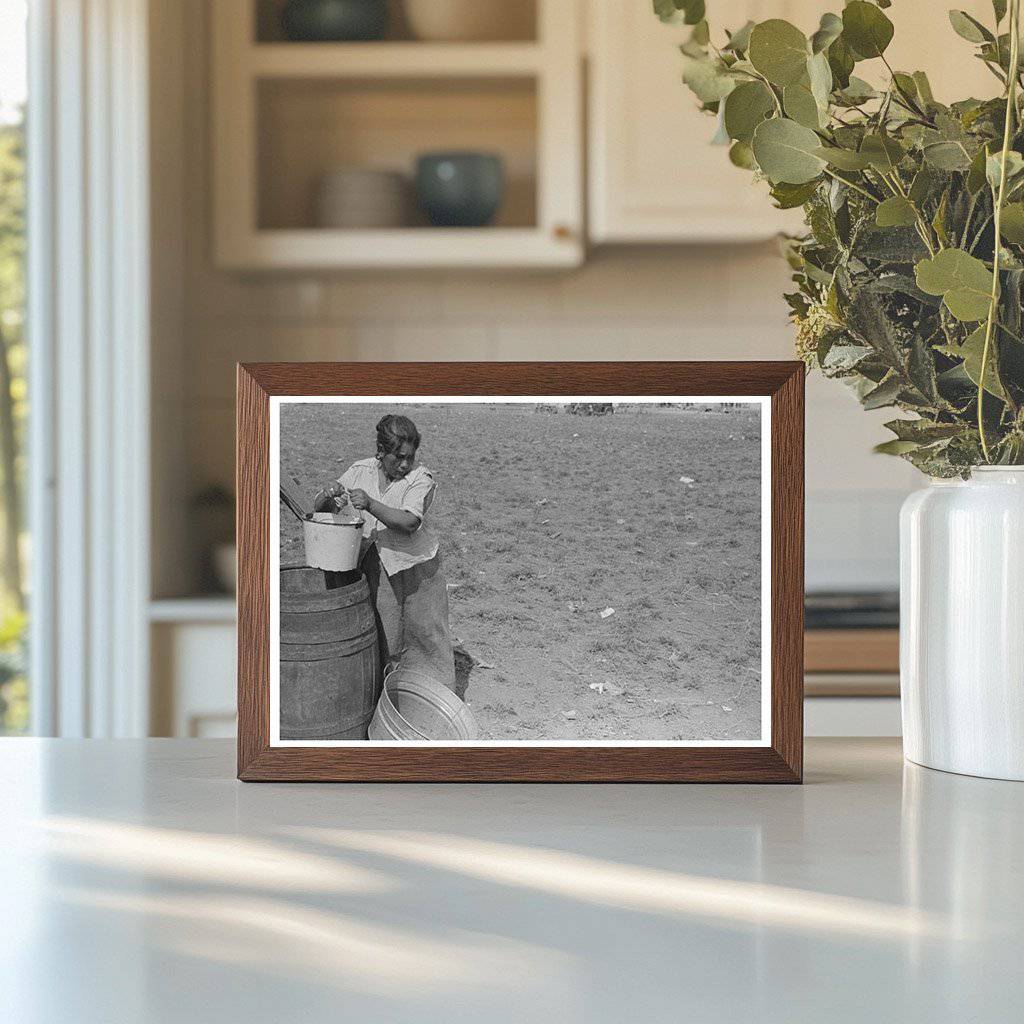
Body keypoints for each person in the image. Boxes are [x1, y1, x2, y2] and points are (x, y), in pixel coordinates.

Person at [313, 414, 456, 692]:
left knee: (426, 634)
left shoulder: (419, 478)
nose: (405, 464)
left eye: (410, 457)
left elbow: (409, 522)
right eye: (398, 457)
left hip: (417, 569)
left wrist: (370, 504)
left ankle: (436, 696)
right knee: (387, 636)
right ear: (380, 452)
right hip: (378, 565)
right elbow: (323, 509)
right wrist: (327, 495)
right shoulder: (360, 470)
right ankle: (391, 694)